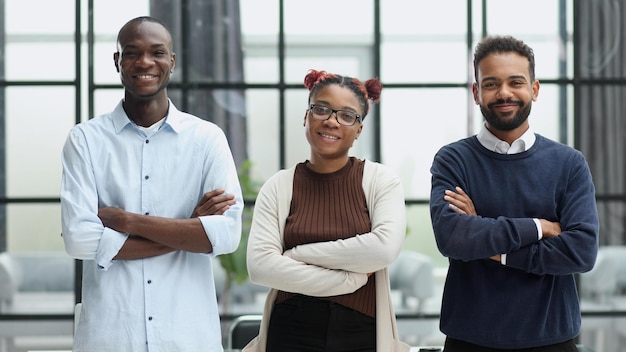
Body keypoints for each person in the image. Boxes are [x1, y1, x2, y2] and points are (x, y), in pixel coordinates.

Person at [61, 16, 243, 352]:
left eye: (157, 52)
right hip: (111, 337)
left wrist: (127, 222)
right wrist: (188, 229)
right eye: (132, 53)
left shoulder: (207, 139)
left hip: (188, 338)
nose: (145, 62)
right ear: (117, 61)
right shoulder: (85, 140)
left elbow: (226, 235)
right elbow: (79, 241)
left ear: (171, 62)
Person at [429, 35, 599, 351]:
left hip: (553, 339)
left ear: (533, 89)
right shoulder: (453, 160)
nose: (504, 93)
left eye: (515, 82)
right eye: (491, 84)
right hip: (470, 339)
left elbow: (581, 251)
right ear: (476, 93)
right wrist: (538, 227)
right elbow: (452, 237)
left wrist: (488, 240)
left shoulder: (569, 163)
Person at [243, 69, 410, 352]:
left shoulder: (381, 181)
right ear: (306, 117)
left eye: (347, 115)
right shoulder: (279, 185)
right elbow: (260, 267)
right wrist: (347, 280)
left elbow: (383, 249)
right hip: (290, 331)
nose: (332, 121)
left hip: (362, 332)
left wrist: (297, 255)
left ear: (358, 129)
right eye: (321, 109)